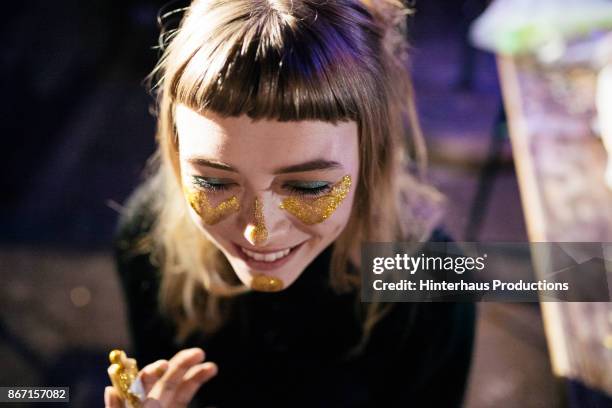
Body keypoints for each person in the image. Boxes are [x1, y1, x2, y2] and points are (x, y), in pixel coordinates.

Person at [104, 0, 476, 407]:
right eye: (213, 182)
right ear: (174, 155)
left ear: (372, 156)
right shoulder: (147, 242)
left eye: (308, 187)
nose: (258, 232)